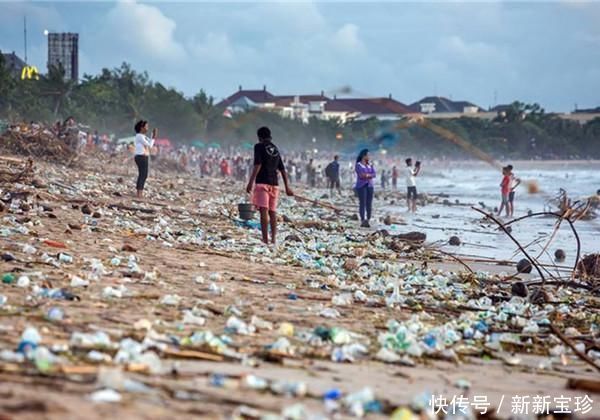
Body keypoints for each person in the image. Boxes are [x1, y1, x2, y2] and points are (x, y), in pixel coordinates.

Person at [246, 126, 293, 247]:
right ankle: (273, 240)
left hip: (262, 182)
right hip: (275, 184)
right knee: (272, 212)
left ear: (260, 137)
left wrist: (250, 182)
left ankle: (265, 239)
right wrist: (287, 187)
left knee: (263, 211)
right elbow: (282, 169)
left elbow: (258, 164)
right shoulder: (275, 149)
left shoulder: (259, 146)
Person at [133, 120, 157, 199]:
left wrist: (152, 136)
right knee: (143, 174)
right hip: (141, 157)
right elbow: (150, 145)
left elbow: (149, 142)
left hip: (143, 156)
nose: (147, 128)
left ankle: (139, 192)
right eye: (146, 127)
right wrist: (153, 138)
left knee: (143, 174)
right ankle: (139, 193)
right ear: (141, 128)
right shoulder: (139, 136)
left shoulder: (143, 136)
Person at [355, 149, 376, 228]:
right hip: (361, 186)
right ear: (364, 156)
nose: (369, 157)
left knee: (369, 203)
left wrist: (367, 175)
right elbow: (361, 175)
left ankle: (368, 219)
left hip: (370, 185)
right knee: (362, 203)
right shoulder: (358, 165)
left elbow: (374, 174)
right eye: (368, 155)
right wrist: (368, 175)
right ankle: (362, 219)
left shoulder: (370, 165)